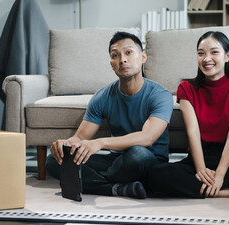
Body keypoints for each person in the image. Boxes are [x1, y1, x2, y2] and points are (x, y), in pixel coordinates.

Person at [148, 31, 229, 199]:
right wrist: (201, 170)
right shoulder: (186, 88)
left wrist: (221, 174)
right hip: (199, 158)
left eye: (214, 52)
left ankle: (208, 189)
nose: (206, 58)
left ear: (227, 56)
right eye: (201, 53)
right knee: (156, 173)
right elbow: (193, 132)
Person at [46, 31, 173, 199]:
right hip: (116, 161)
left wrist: (100, 143)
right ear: (111, 63)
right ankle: (117, 189)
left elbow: (147, 138)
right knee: (54, 161)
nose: (123, 59)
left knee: (138, 154)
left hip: (148, 160)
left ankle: (89, 182)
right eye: (115, 55)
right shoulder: (103, 96)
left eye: (129, 52)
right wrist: (65, 145)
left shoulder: (160, 94)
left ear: (142, 57)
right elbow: (81, 137)